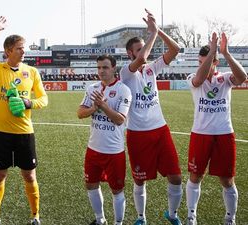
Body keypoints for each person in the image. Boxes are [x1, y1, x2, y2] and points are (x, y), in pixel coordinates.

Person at [0, 16, 48, 225]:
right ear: (8, 50)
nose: (23, 51)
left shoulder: (32, 72)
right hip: (1, 133)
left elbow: (43, 99)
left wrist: (29, 103)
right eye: (19, 48)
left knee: (30, 177)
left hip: (25, 133)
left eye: (23, 48)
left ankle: (35, 216)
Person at [119, 9, 183, 225]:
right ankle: (141, 217)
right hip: (137, 133)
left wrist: (159, 31)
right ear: (130, 54)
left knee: (175, 177)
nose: (143, 52)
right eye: (137, 49)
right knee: (140, 180)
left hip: (160, 130)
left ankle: (172, 215)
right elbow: (144, 56)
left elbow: (175, 49)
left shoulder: (151, 70)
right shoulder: (126, 73)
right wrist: (152, 33)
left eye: (142, 48)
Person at [185, 32, 246, 225]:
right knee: (196, 176)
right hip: (200, 134)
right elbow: (200, 78)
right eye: (199, 61)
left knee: (227, 180)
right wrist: (212, 52)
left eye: (207, 61)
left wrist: (225, 53)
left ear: (215, 63)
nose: (201, 65)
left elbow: (243, 77)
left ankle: (230, 218)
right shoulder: (193, 77)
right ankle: (191, 215)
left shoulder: (226, 78)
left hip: (224, 134)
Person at [77, 54, 132, 225]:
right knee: (91, 185)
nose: (101, 71)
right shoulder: (92, 88)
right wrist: (94, 107)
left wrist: (104, 106)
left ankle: (118, 223)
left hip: (113, 151)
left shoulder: (123, 90)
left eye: (105, 67)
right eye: (99, 67)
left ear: (114, 68)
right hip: (93, 148)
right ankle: (100, 219)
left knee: (117, 190)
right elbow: (80, 113)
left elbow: (120, 119)